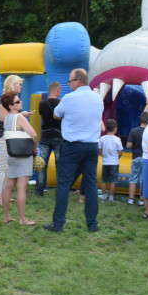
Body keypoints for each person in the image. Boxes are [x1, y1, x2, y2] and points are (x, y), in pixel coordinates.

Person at [45, 69, 104, 233]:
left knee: (64, 184)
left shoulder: (69, 98)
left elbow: (56, 114)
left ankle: (58, 223)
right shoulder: (98, 98)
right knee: (91, 184)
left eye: (70, 81)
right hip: (92, 145)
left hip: (73, 146)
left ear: (78, 81)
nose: (68, 84)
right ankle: (92, 223)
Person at [0, 91, 38, 225]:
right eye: (17, 101)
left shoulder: (7, 119)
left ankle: (6, 216)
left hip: (11, 154)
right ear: (10, 106)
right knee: (22, 188)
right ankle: (23, 219)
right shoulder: (20, 118)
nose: (21, 102)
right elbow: (33, 135)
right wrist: (34, 147)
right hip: (23, 155)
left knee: (9, 186)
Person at [0, 75, 24, 205]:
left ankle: (4, 194)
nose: (20, 86)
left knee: (7, 166)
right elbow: (2, 117)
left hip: (8, 134)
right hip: (3, 134)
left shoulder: (10, 98)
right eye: (19, 84)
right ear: (12, 84)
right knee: (2, 166)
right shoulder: (6, 98)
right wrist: (21, 115)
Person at [36, 82, 64, 198]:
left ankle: (39, 190)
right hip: (58, 135)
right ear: (58, 90)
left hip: (45, 136)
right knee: (60, 165)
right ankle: (60, 191)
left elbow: (43, 118)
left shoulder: (42, 103)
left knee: (42, 164)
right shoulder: (61, 103)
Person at [125, 110, 148, 206]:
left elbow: (129, 145)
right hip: (146, 158)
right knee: (143, 180)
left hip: (136, 157)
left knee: (133, 179)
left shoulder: (134, 131)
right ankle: (141, 200)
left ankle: (131, 199)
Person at [98, 119, 122, 201]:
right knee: (113, 181)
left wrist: (103, 155)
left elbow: (99, 150)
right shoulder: (117, 139)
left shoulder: (102, 138)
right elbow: (120, 151)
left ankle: (104, 197)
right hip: (114, 162)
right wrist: (117, 156)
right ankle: (111, 197)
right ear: (115, 129)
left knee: (104, 180)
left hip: (105, 162)